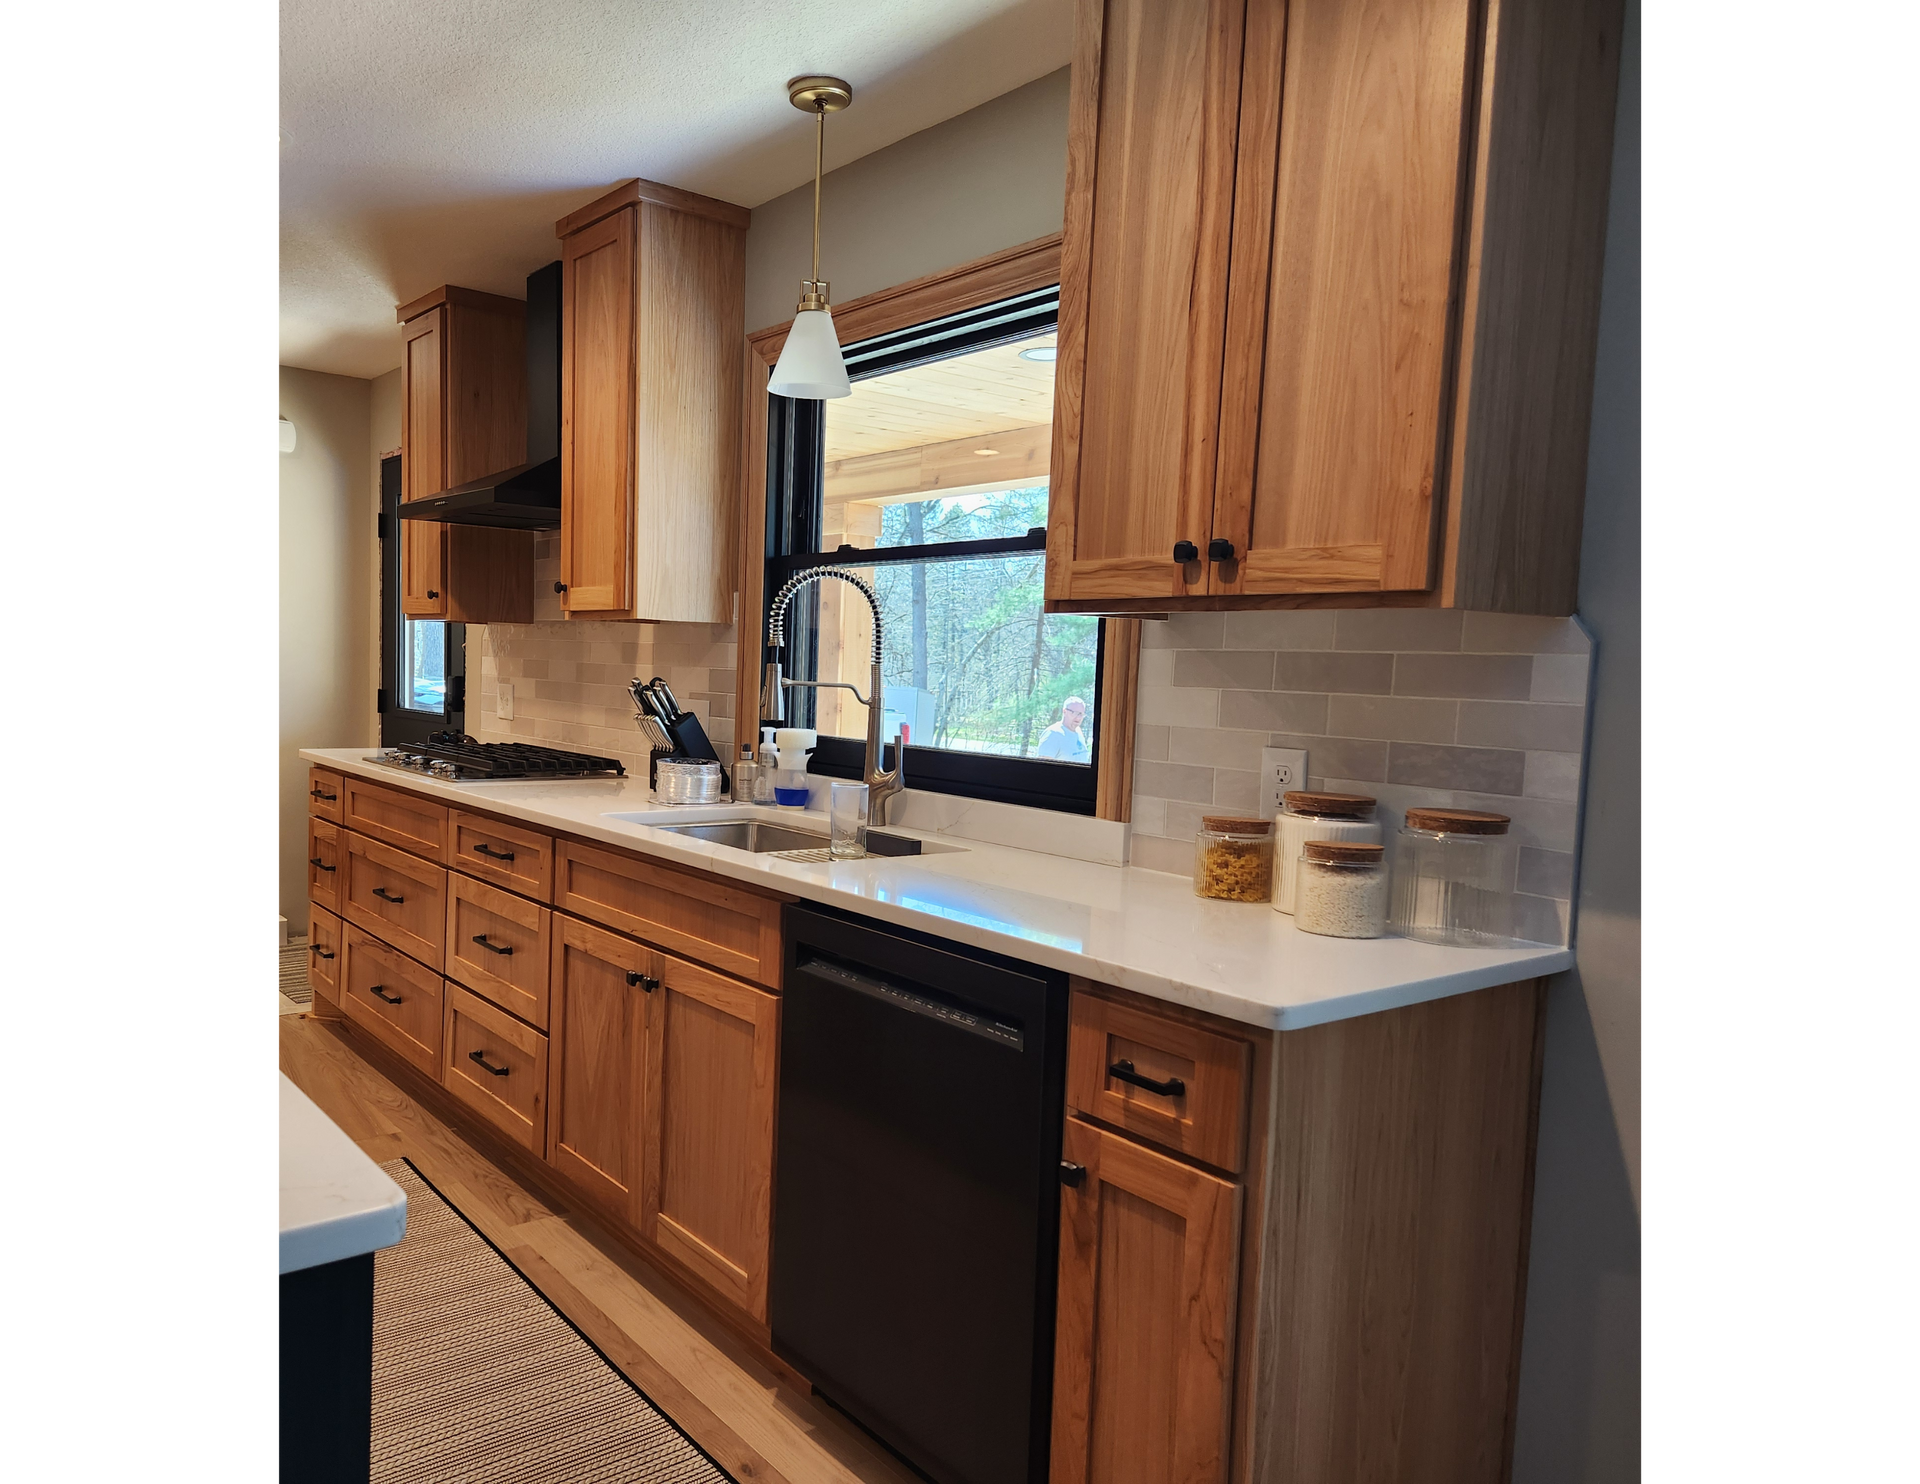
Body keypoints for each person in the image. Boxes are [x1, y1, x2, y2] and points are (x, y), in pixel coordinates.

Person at [1036, 696, 1089, 762]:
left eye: (1081, 714)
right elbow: (1043, 765)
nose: (1079, 717)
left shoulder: (1078, 731)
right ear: (1064, 711)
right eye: (1075, 713)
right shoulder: (1053, 734)